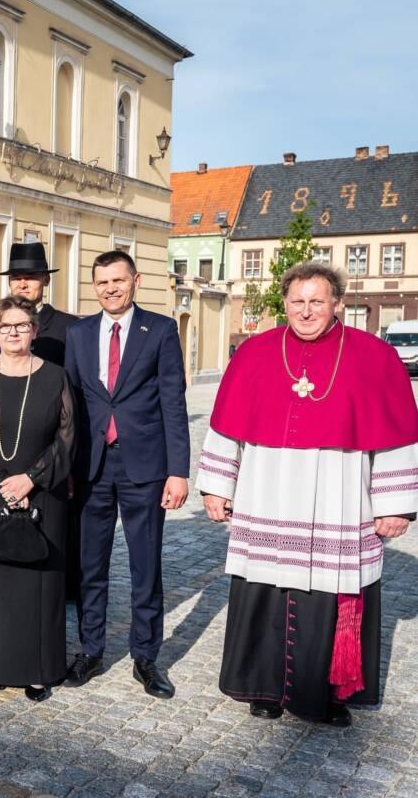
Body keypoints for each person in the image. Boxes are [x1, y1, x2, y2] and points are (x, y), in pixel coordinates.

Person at [197, 263, 418, 726]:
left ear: (337, 303)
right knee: (264, 592)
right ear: (284, 304)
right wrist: (217, 486)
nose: (306, 311)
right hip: (265, 494)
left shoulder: (375, 357)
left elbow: (397, 438)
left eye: (317, 301)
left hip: (339, 497)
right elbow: (225, 430)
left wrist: (395, 505)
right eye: (297, 301)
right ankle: (263, 689)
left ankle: (324, 696)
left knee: (329, 600)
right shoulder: (255, 353)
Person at [63, 250, 189, 699]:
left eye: (118, 280)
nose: (110, 289)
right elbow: (72, 408)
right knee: (89, 566)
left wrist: (178, 471)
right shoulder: (78, 334)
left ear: (135, 280)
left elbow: (173, 402)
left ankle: (147, 656)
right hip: (92, 466)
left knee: (145, 565)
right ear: (93, 286)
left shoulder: (159, 330)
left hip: (145, 467)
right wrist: (67, 466)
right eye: (102, 283)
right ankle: (91, 649)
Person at [0, 296, 74, 698]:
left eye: (21, 325)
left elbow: (67, 436)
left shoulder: (56, 376)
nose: (12, 333)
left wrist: (31, 480)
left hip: (43, 492)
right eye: (4, 326)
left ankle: (39, 667)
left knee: (38, 583)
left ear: (35, 331)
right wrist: (3, 481)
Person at [0, 242, 77, 366]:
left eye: (30, 277)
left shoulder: (69, 327)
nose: (23, 285)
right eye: (16, 278)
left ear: (46, 280)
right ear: (9, 282)